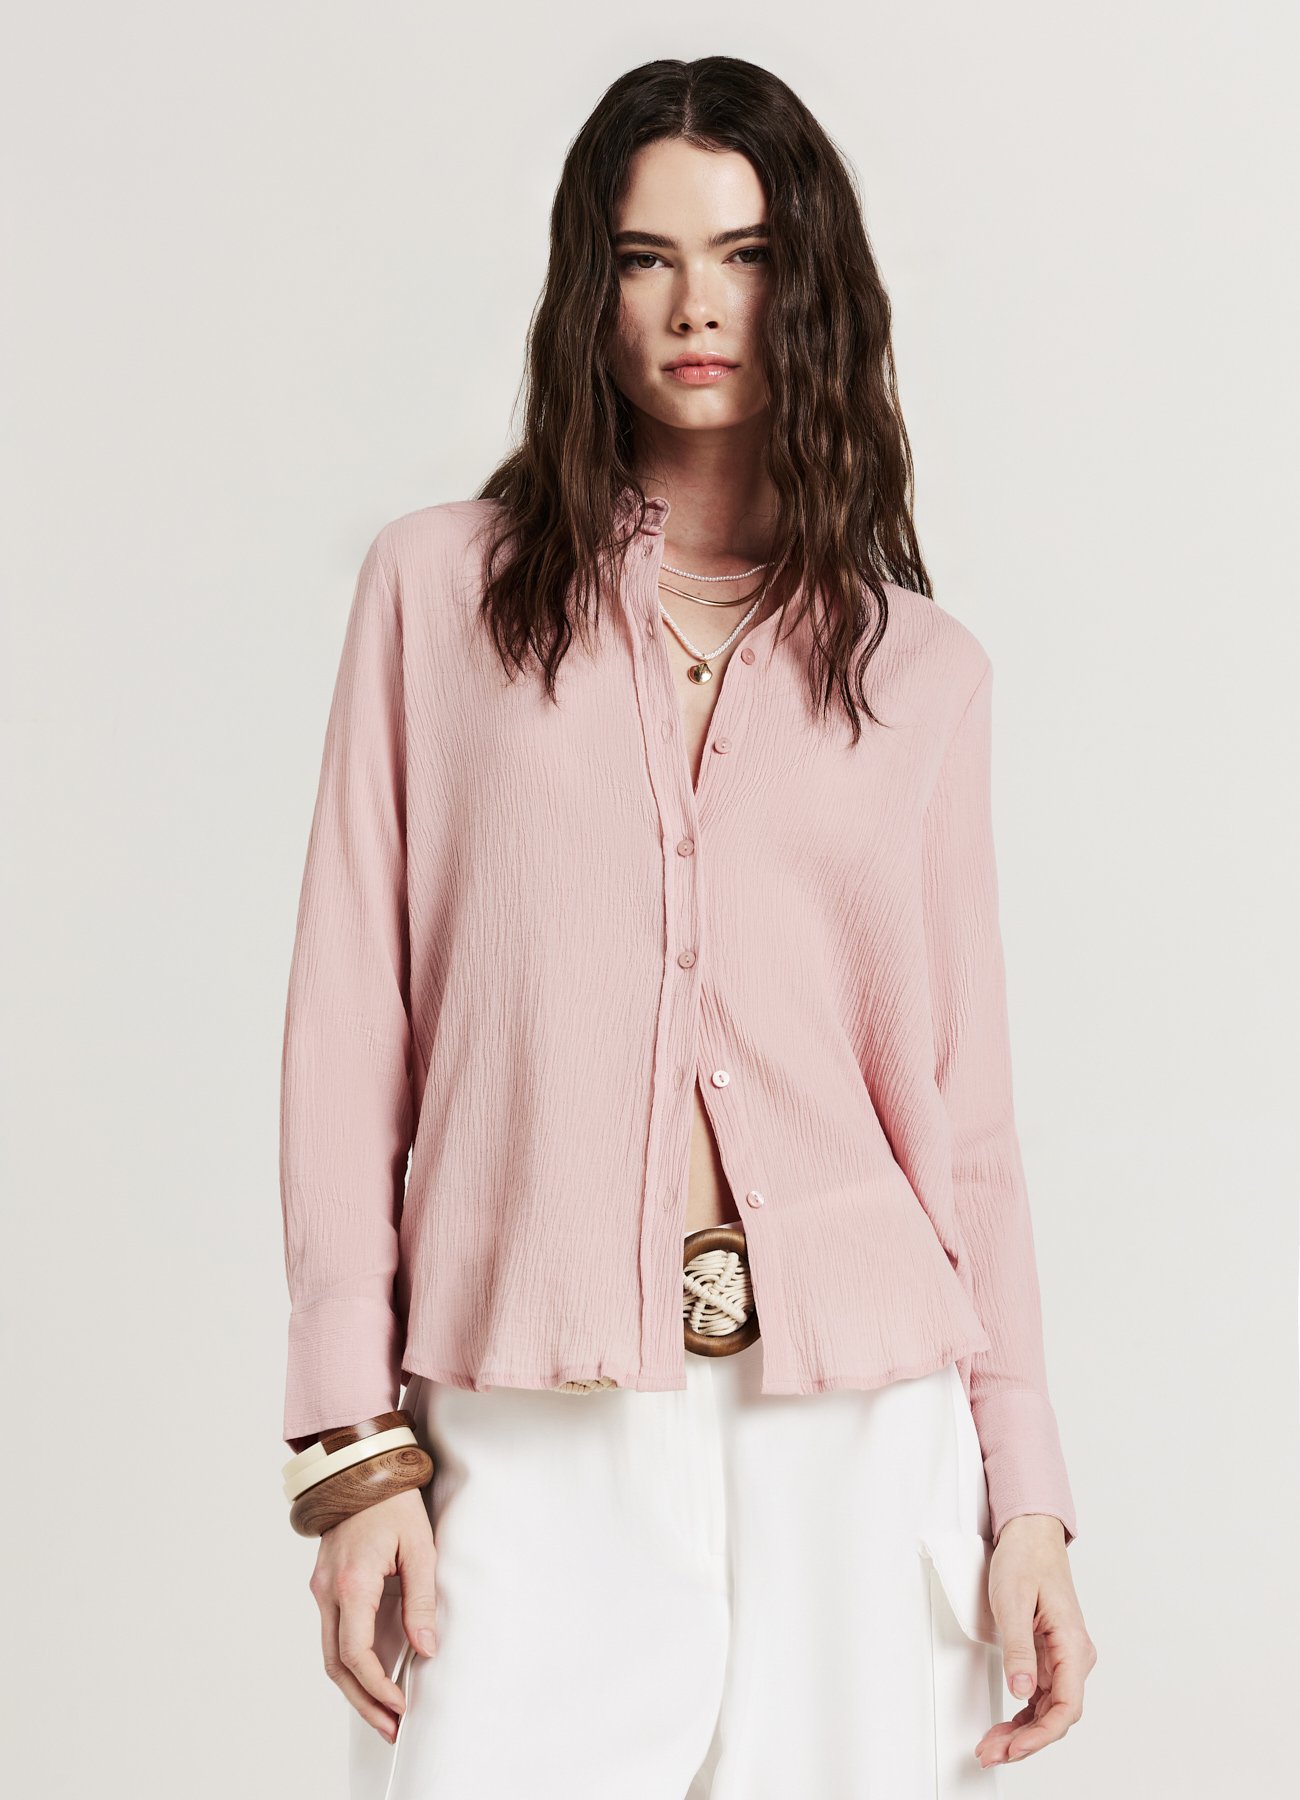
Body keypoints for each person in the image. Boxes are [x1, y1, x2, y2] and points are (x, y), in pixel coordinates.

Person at [277, 54, 1096, 1799]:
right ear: (590, 287)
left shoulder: (922, 672)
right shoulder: (438, 595)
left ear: (815, 287)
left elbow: (967, 1127)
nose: (698, 305)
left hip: (861, 1431)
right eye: (646, 258)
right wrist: (354, 1455)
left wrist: (1024, 1495)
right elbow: (352, 1035)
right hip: (533, 1414)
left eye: (747, 254)